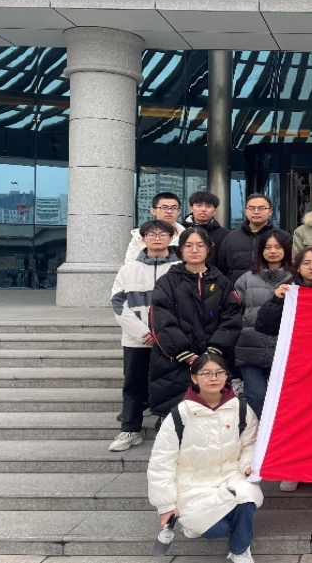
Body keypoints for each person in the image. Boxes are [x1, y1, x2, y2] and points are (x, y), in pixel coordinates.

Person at [147, 354, 263, 563]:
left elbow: (250, 444)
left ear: (226, 376)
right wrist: (166, 506)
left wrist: (247, 465)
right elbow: (161, 463)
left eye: (219, 373)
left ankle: (240, 549)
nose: (213, 378)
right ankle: (200, 521)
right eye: (206, 373)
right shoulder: (179, 414)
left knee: (247, 498)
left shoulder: (241, 409)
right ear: (194, 377)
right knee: (217, 530)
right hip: (192, 484)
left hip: (230, 475)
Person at [255, 246, 312, 493]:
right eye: (306, 263)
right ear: (297, 268)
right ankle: (291, 470)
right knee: (295, 419)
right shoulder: (289, 292)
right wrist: (276, 300)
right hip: (297, 366)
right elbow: (264, 326)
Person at [149, 227, 243, 423]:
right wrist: (186, 354)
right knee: (175, 419)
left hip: (214, 362)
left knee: (211, 417)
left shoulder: (222, 282)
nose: (194, 250)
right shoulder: (167, 282)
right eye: (188, 246)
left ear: (209, 249)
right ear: (180, 250)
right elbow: (161, 321)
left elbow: (232, 319)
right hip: (175, 362)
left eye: (200, 245)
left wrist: (213, 353)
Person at [108, 220, 181, 452]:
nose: (157, 237)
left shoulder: (181, 269)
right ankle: (130, 429)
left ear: (171, 237)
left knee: (171, 384)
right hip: (136, 340)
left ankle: (168, 429)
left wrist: (163, 333)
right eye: (151, 234)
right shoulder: (128, 270)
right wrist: (143, 332)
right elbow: (118, 304)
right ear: (142, 238)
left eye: (162, 234)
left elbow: (186, 306)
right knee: (134, 384)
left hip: (170, 340)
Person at [232, 229, 292, 418]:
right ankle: (255, 434)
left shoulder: (295, 278)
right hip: (250, 348)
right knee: (256, 397)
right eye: (268, 247)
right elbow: (232, 311)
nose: (273, 251)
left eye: (278, 247)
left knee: (282, 400)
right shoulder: (246, 279)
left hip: (284, 351)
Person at [217, 194, 276, 286]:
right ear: (246, 211)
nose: (256, 212)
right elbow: (222, 268)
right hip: (236, 290)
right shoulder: (231, 237)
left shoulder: (281, 237)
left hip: (272, 290)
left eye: (261, 208)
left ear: (270, 211)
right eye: (251, 208)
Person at [125, 192, 185, 264]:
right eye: (164, 207)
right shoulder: (140, 235)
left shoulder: (187, 235)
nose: (169, 211)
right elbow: (130, 263)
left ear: (178, 212)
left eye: (174, 208)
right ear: (153, 211)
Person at [182, 191, 230, 264]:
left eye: (208, 206)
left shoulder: (225, 235)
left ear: (215, 211)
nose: (203, 209)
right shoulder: (179, 230)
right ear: (191, 208)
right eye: (199, 205)